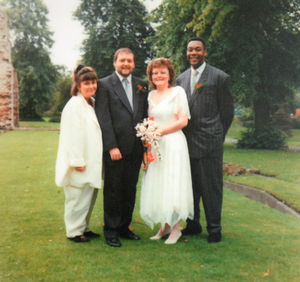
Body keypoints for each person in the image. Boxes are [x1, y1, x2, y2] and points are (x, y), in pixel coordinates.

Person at [176, 37, 234, 243]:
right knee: (190, 188)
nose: (193, 53)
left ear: (205, 52)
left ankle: (214, 228)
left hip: (210, 143)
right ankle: (193, 224)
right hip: (187, 143)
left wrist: (218, 135)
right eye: (190, 49)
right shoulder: (180, 79)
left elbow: (227, 112)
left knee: (211, 187)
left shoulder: (220, 77)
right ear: (186, 53)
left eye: (197, 50)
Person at [95, 48, 148, 247]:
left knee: (129, 189)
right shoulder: (104, 84)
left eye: (129, 61)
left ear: (134, 64)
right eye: (122, 60)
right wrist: (111, 146)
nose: (126, 64)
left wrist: (146, 141)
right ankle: (111, 230)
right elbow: (103, 117)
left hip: (135, 148)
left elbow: (144, 115)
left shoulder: (142, 85)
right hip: (115, 149)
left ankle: (125, 227)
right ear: (115, 62)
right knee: (113, 190)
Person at [140, 58, 194, 245]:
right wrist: (148, 137)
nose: (159, 76)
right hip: (156, 145)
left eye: (163, 72)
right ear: (151, 76)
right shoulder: (150, 96)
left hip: (173, 143)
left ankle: (176, 229)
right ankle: (164, 226)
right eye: (155, 73)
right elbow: (149, 120)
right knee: (159, 183)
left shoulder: (177, 92)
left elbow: (183, 120)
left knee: (173, 182)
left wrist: (159, 132)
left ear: (170, 74)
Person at [55, 65, 103, 243]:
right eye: (87, 83)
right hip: (79, 159)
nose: (91, 86)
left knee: (88, 195)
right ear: (78, 85)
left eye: (93, 82)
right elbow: (72, 135)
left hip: (92, 158)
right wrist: (76, 160)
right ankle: (74, 231)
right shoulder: (74, 105)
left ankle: (84, 226)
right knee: (77, 197)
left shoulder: (91, 103)